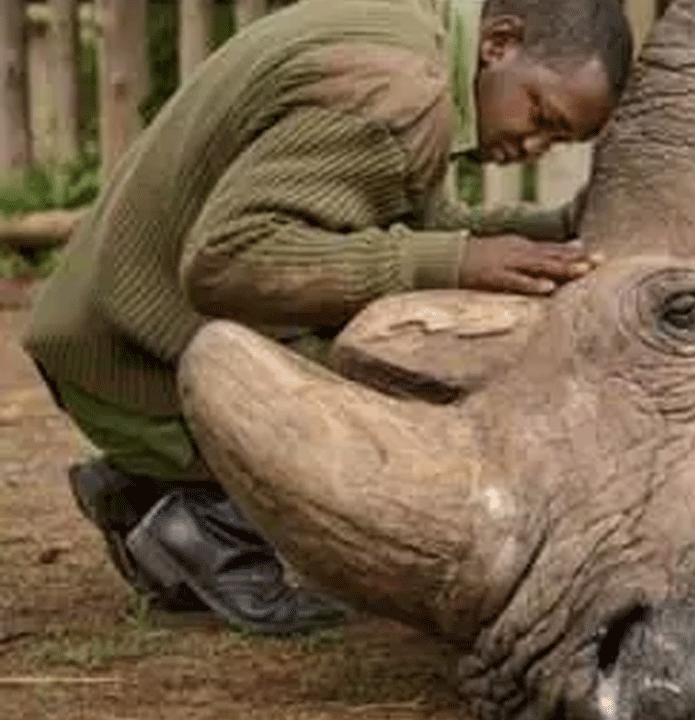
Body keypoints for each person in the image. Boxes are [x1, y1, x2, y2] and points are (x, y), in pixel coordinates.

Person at [21, 0, 633, 635]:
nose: (532, 147)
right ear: (500, 44)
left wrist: (552, 233)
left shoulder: (410, 39)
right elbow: (228, 259)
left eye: (557, 141)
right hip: (133, 361)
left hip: (104, 334)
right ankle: (206, 521)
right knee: (425, 365)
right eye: (541, 115)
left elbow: (412, 228)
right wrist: (447, 264)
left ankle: (146, 486)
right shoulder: (401, 93)